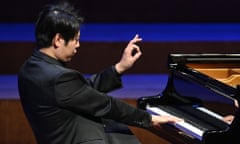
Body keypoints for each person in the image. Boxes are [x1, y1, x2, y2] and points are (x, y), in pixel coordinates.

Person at [17, 1, 183, 144]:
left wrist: (119, 68)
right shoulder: (60, 78)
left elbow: (81, 92)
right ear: (58, 39)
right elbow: (104, 104)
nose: (78, 45)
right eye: (76, 39)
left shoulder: (30, 68)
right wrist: (149, 119)